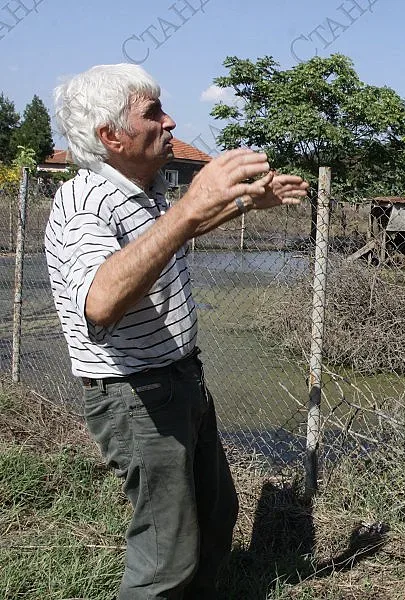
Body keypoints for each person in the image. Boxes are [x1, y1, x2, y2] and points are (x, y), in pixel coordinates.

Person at [45, 63, 309, 599]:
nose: (170, 122)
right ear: (110, 136)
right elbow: (101, 304)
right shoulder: (82, 202)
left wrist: (241, 203)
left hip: (179, 379)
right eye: (152, 113)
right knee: (166, 555)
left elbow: (160, 243)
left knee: (215, 515)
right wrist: (190, 208)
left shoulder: (140, 193)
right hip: (137, 394)